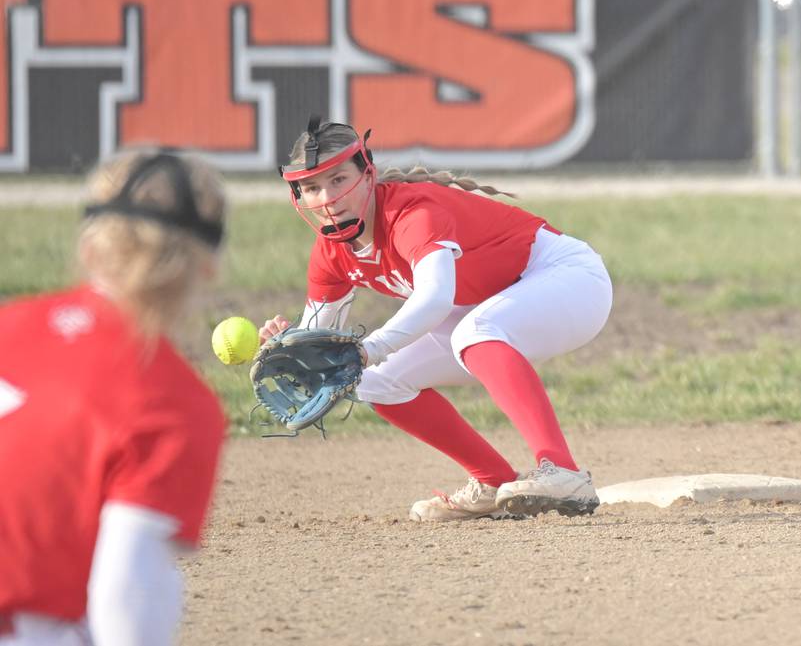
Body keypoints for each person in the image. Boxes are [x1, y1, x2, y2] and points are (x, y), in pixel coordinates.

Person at [258, 119, 611, 521]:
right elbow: (319, 338)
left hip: (567, 277)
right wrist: (288, 342)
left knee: (474, 333)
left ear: (367, 173)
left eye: (339, 179)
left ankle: (562, 471)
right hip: (489, 302)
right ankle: (492, 479)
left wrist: (370, 348)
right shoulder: (330, 252)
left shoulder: (412, 212)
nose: (328, 198)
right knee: (377, 382)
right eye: (312, 188)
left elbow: (435, 299)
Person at [0, 151, 228, 645]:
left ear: (91, 245)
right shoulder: (172, 401)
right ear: (206, 264)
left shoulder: (8, 323)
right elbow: (125, 598)